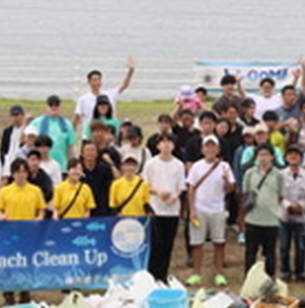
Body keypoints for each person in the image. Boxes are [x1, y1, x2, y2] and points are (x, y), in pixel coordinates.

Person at [0, 158, 47, 305]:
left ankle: (25, 293)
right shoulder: (5, 191)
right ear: (13, 174)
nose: (21, 175)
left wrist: (39, 218)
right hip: (9, 234)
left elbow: (41, 209)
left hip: (28, 234)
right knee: (9, 263)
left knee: (27, 263)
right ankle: (8, 294)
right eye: (18, 172)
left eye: (24, 171)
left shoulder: (35, 191)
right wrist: (1, 216)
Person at [186, 136, 235, 287]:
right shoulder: (196, 167)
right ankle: (196, 273)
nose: (210, 150)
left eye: (213, 147)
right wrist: (192, 209)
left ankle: (219, 274)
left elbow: (231, 190)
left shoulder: (224, 166)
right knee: (197, 243)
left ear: (218, 149)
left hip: (218, 209)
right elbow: (191, 188)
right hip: (200, 209)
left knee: (219, 242)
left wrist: (226, 180)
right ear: (202, 149)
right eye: (207, 147)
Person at [142, 134, 186, 282]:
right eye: (163, 142)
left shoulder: (178, 164)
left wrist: (175, 196)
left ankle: (162, 276)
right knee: (155, 245)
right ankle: (152, 275)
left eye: (169, 142)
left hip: (172, 210)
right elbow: (145, 185)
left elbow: (181, 186)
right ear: (158, 145)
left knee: (168, 245)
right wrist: (158, 192)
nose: (166, 145)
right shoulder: (151, 164)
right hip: (156, 209)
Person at [241, 144, 284, 276]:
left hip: (271, 219)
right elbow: (245, 193)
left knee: (270, 252)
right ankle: (249, 277)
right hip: (253, 218)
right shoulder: (249, 173)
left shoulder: (278, 175)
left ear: (272, 157)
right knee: (250, 251)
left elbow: (281, 195)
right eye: (260, 155)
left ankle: (269, 278)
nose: (263, 158)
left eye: (266, 155)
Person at [74, 58, 136, 131]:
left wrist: (131, 71)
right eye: (94, 80)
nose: (97, 82)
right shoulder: (83, 99)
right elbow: (77, 118)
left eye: (99, 79)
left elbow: (124, 85)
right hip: (91, 133)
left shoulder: (110, 95)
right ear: (89, 82)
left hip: (109, 132)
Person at [279, 146, 305, 282]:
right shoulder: (280, 175)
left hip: (301, 216)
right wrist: (288, 206)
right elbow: (277, 193)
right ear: (286, 158)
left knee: (301, 246)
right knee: (284, 246)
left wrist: (301, 206)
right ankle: (285, 271)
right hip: (283, 215)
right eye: (290, 154)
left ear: (301, 158)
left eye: (296, 155)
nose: (293, 157)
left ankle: (300, 272)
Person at [29, 95, 78, 170]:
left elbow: (71, 148)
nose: (54, 107)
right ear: (46, 107)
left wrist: (74, 166)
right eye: (51, 104)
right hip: (41, 167)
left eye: (56, 105)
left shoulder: (67, 125)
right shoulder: (36, 123)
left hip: (62, 167)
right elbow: (29, 144)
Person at [79, 139, 118, 217]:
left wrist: (110, 163)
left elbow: (116, 181)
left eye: (92, 150)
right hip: (83, 210)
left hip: (102, 209)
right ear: (82, 154)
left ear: (97, 153)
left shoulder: (104, 169)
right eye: (87, 150)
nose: (90, 153)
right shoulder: (78, 170)